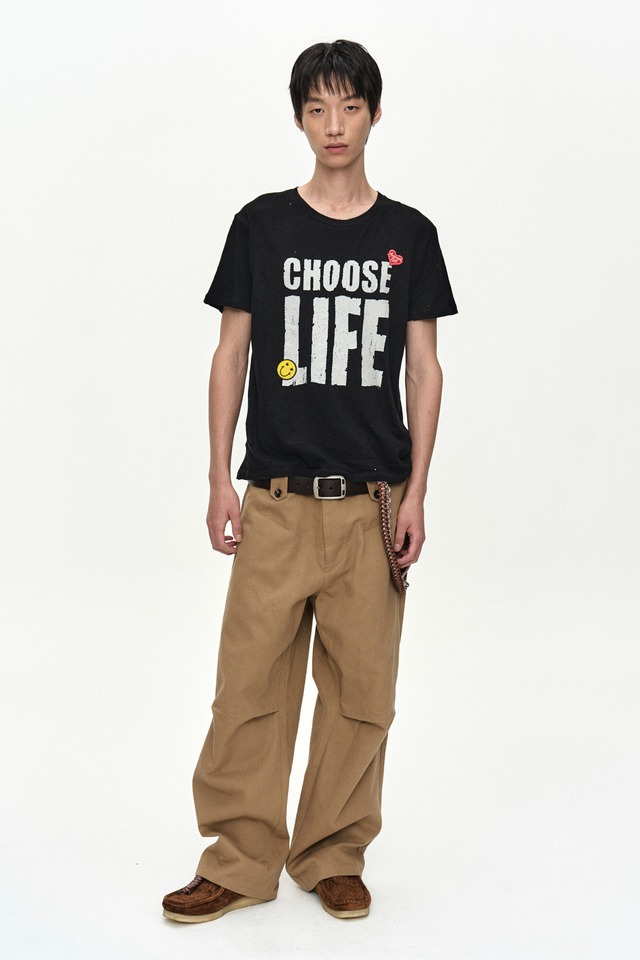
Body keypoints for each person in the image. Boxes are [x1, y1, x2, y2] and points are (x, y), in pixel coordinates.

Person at [162, 38, 458, 924]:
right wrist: (218, 477)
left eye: (350, 107)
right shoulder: (262, 226)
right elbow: (231, 354)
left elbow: (425, 369)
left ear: (374, 114)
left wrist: (417, 492)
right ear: (298, 117)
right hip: (278, 499)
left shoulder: (410, 236)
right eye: (319, 108)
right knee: (248, 687)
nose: (335, 124)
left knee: (363, 694)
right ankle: (238, 859)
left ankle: (332, 853)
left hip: (373, 502)